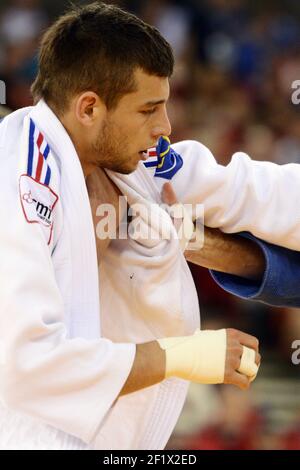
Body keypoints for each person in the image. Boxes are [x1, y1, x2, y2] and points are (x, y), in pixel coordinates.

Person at [0, 2, 259, 450]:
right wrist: (184, 354)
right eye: (148, 110)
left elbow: (229, 196)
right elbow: (26, 363)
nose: (165, 126)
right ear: (88, 108)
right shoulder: (26, 179)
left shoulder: (112, 165)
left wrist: (188, 238)